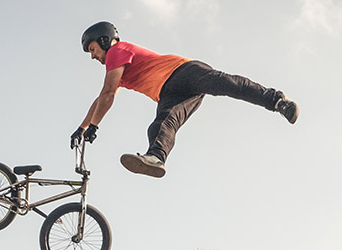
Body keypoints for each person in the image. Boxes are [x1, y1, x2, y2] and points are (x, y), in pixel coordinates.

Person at [72, 21, 299, 179]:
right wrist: (82, 128)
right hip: (170, 93)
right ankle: (156, 158)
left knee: (225, 84)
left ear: (104, 40)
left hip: (182, 71)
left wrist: (94, 126)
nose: (93, 56)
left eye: (92, 49)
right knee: (163, 124)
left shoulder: (116, 51)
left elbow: (107, 94)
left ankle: (278, 101)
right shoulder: (118, 71)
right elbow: (101, 99)